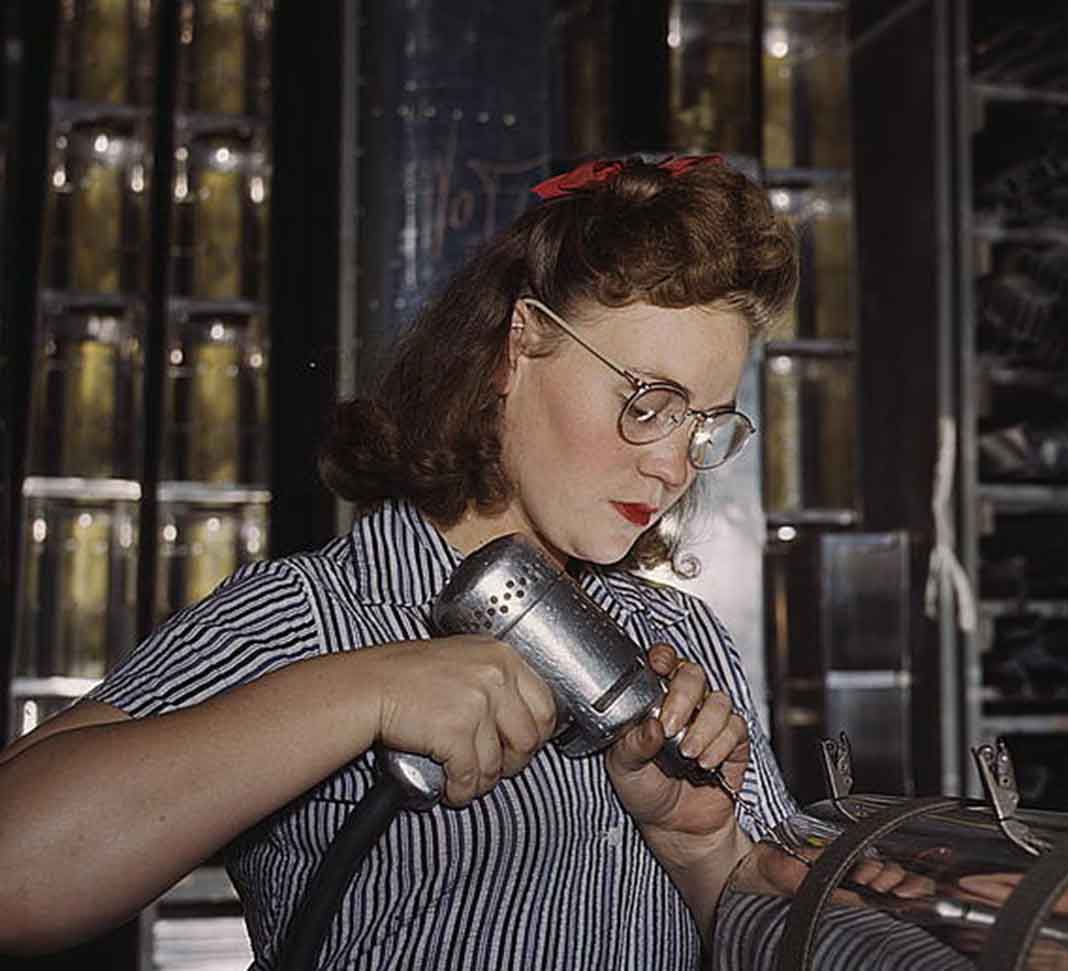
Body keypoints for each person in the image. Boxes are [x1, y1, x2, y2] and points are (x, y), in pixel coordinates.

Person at [0, 154, 803, 970]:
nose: (674, 467)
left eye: (702, 425)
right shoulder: (312, 612)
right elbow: (15, 873)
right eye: (648, 405)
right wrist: (365, 691)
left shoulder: (681, 639)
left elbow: (781, 941)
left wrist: (707, 850)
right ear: (517, 347)